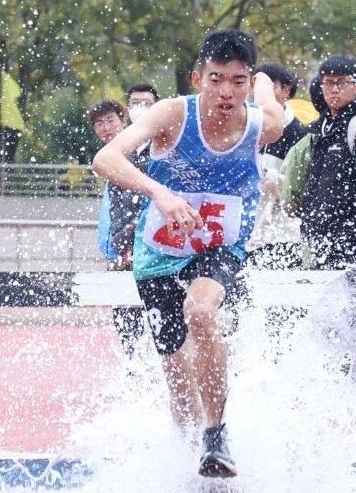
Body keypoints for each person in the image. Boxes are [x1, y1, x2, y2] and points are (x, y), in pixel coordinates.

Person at [91, 29, 284, 478]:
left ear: (248, 82)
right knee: (177, 376)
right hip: (159, 250)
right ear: (198, 79)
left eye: (238, 81)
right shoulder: (173, 114)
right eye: (216, 79)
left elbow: (273, 109)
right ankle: (189, 466)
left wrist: (262, 86)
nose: (226, 92)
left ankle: (216, 435)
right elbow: (106, 159)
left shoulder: (261, 124)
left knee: (201, 311)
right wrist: (160, 193)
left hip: (219, 244)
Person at [301, 55, 356, 269]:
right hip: (319, 235)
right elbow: (313, 179)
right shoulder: (322, 126)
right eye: (328, 83)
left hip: (352, 238)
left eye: (342, 83)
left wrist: (339, 215)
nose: (334, 89)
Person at [90, 99, 148, 358]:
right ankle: (133, 364)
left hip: (142, 247)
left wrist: (131, 234)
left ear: (123, 120)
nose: (106, 128)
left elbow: (144, 201)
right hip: (121, 249)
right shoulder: (108, 159)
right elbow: (116, 209)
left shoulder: (141, 153)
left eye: (110, 120)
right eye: (99, 124)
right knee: (125, 316)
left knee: (148, 311)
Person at [247, 62, 307, 269]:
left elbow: (301, 187)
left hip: (282, 235)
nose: (260, 92)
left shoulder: (298, 134)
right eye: (256, 85)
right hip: (248, 233)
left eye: (269, 86)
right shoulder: (246, 126)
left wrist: (271, 178)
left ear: (286, 91)